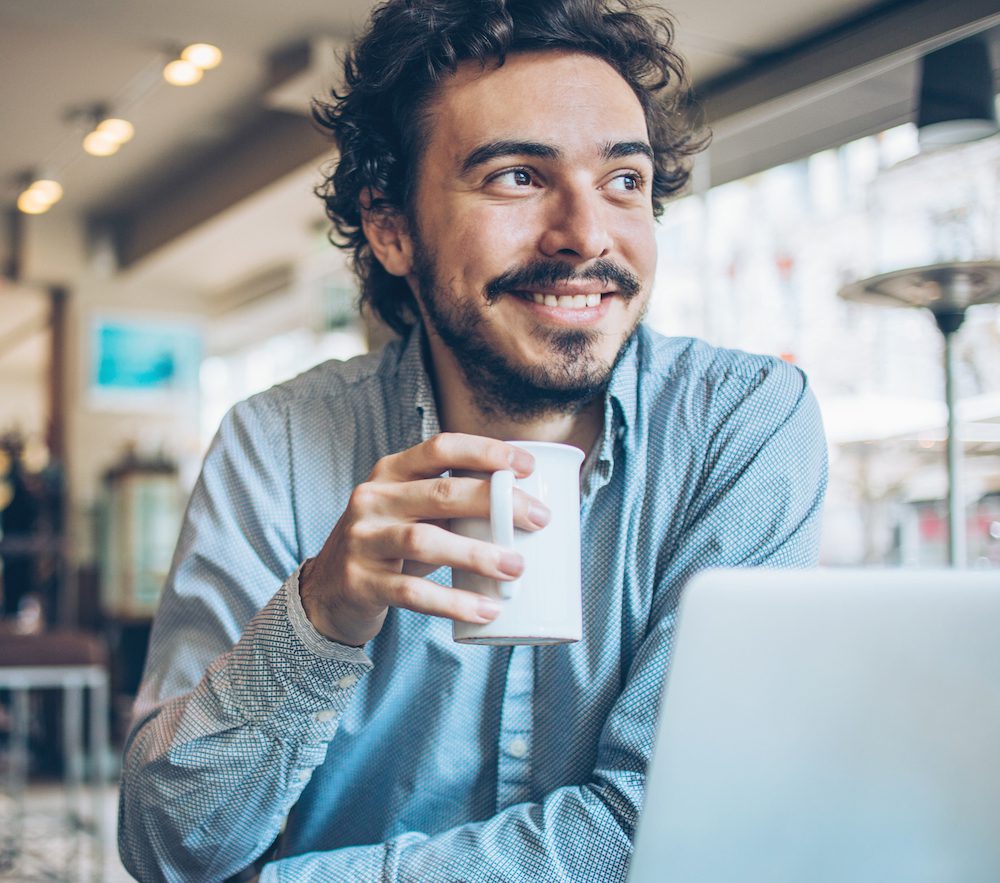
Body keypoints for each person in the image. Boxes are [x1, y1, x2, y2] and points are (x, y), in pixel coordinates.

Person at [118, 0, 828, 880]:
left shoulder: (742, 424)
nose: (587, 234)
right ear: (390, 226)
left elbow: (668, 826)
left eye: (624, 180)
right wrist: (320, 614)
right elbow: (169, 849)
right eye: (518, 177)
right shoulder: (279, 446)